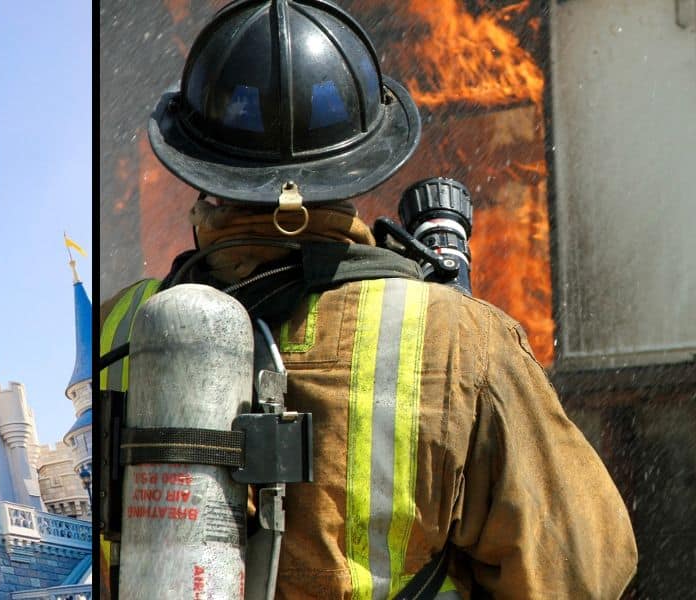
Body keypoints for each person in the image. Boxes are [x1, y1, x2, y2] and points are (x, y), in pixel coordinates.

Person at [99, 0, 637, 597]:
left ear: (202, 172)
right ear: (360, 166)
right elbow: (580, 569)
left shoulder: (121, 327)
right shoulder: (462, 343)